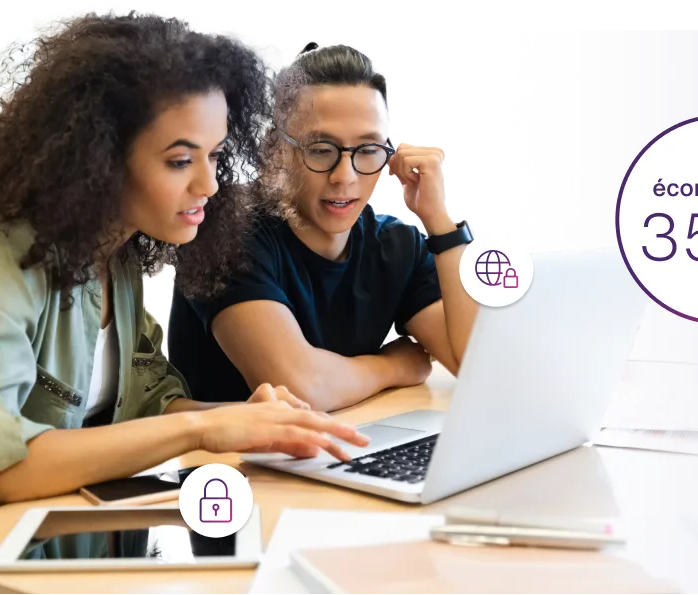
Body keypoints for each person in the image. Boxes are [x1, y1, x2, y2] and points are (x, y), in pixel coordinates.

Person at [0, 14, 367, 595]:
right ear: (97, 157)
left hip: (68, 539)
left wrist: (250, 422)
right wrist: (207, 426)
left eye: (216, 156)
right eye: (180, 160)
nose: (210, 185)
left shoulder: (117, 253)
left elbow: (143, 401)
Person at [166, 42, 480, 412]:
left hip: (345, 447)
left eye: (367, 150)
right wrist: (393, 365)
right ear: (273, 149)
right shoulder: (225, 233)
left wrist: (440, 223)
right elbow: (300, 389)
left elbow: (479, 365)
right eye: (320, 149)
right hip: (231, 465)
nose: (344, 177)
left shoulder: (396, 246)